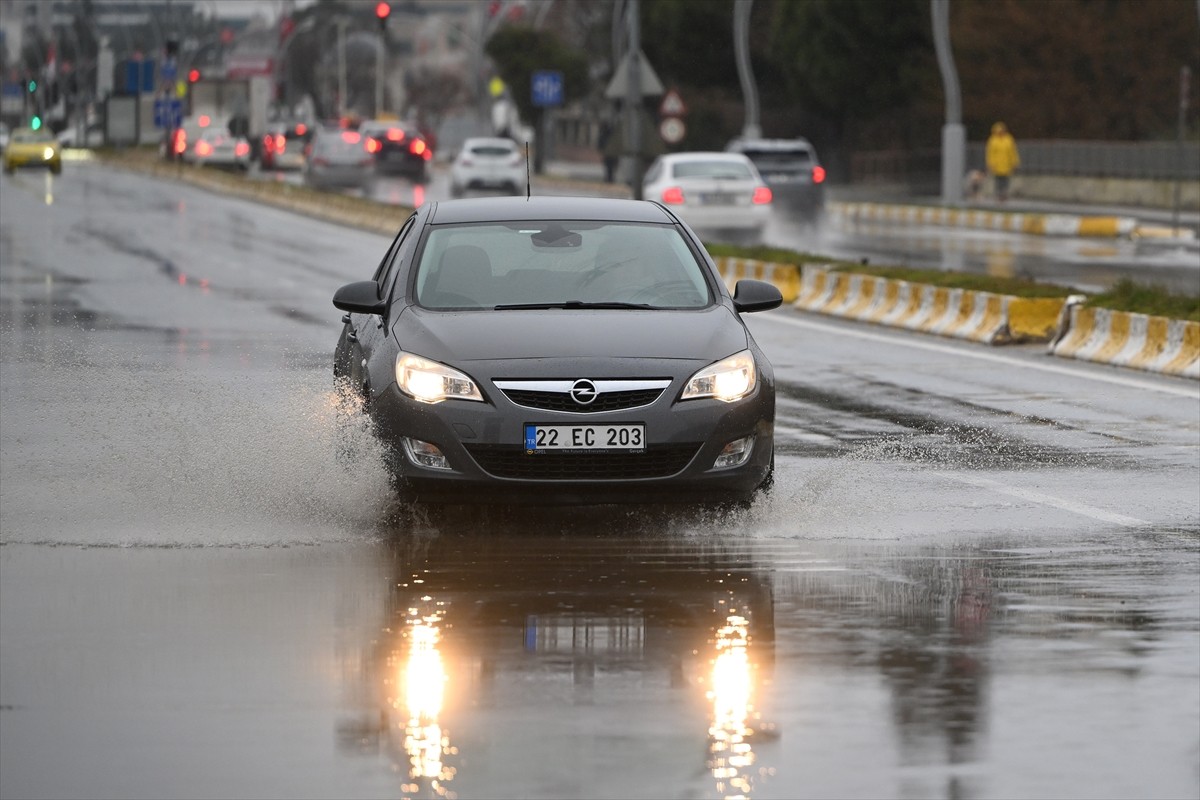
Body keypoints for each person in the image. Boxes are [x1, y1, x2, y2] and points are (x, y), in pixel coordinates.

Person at [985, 121, 1020, 203]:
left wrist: (1015, 162)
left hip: (1006, 164)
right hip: (996, 165)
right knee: (998, 180)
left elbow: (1012, 151)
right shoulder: (993, 140)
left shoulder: (1009, 139)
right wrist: (990, 164)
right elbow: (990, 153)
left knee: (1006, 180)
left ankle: (1004, 195)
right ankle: (998, 195)